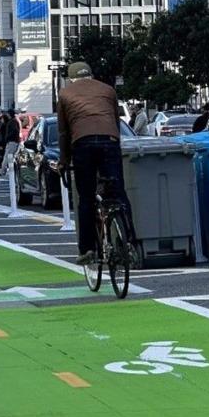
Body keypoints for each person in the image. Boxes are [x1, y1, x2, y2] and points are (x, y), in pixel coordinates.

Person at [56, 62, 133, 267]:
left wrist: (64, 161)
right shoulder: (108, 90)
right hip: (110, 141)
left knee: (87, 198)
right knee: (118, 192)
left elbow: (64, 133)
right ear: (91, 75)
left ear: (71, 78)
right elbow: (116, 122)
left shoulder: (65, 94)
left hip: (83, 144)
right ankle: (130, 241)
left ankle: (87, 248)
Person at [0, 109, 22, 177]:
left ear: (10, 114)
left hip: (12, 141)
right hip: (13, 141)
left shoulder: (12, 122)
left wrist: (8, 137)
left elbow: (14, 130)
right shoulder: (14, 121)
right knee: (10, 157)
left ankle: (2, 171)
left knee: (7, 156)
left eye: (8, 114)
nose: (7, 115)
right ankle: (7, 170)